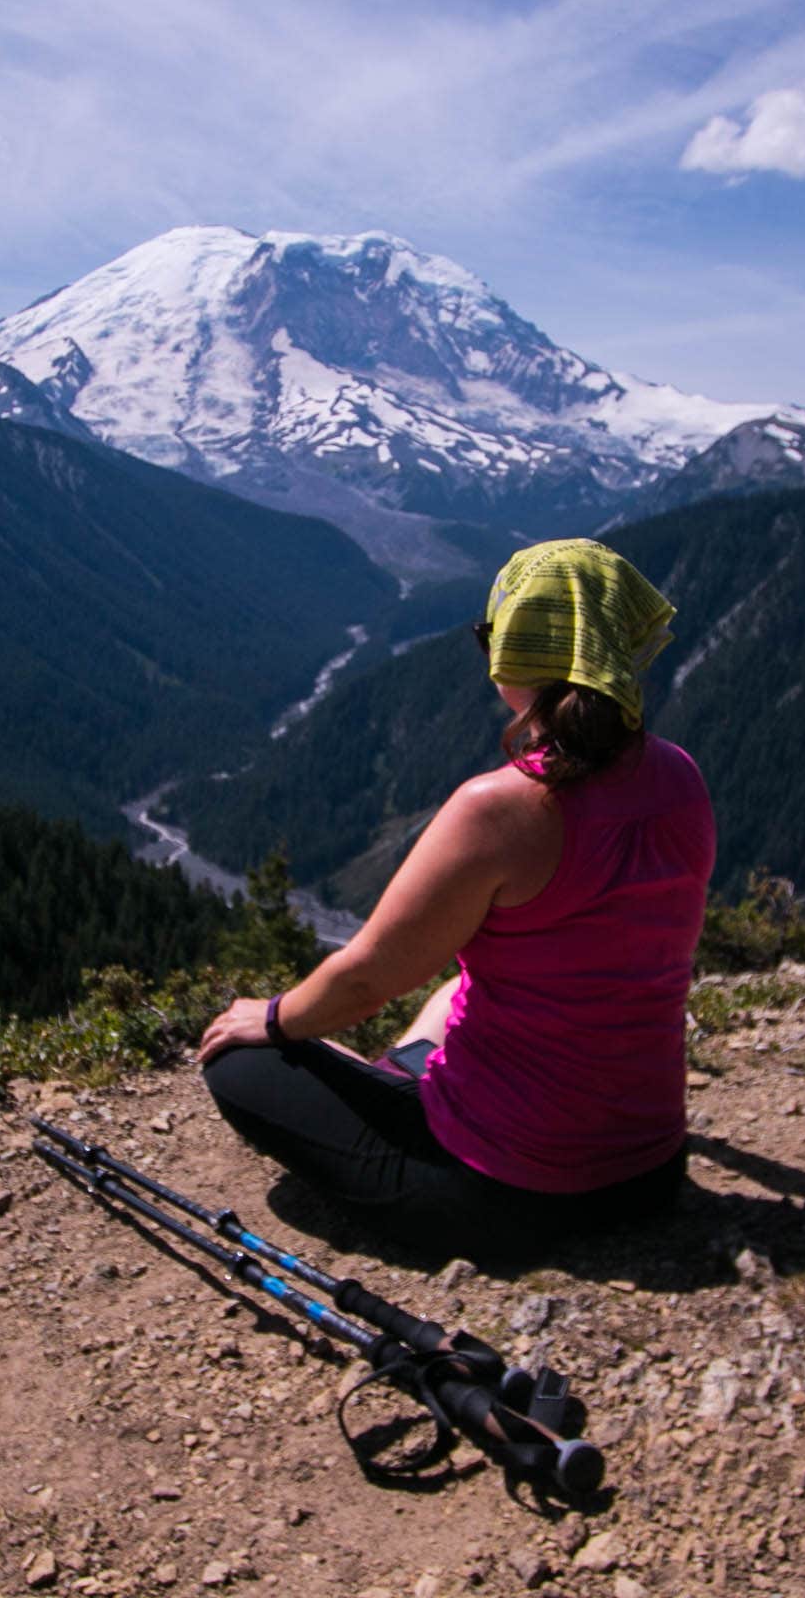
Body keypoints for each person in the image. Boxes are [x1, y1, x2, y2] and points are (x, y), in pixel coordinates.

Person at [196, 538, 715, 1256]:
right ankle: (407, 1073)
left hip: (506, 1195)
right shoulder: (681, 777)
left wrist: (276, 1019)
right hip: (651, 1169)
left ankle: (398, 1087)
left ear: (519, 655)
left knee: (239, 1063)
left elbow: (369, 977)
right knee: (452, 992)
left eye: (492, 636)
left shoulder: (500, 807)